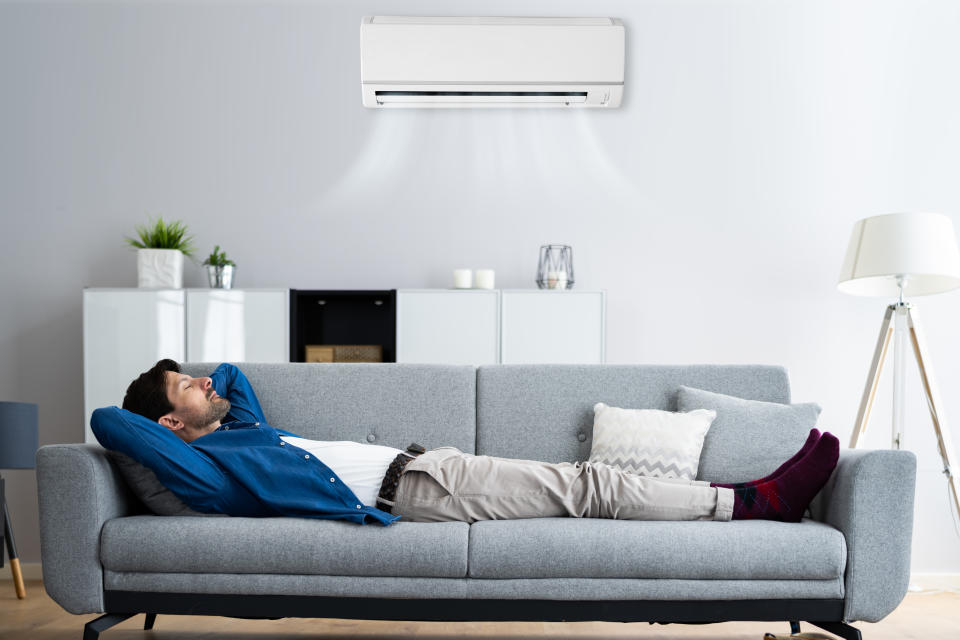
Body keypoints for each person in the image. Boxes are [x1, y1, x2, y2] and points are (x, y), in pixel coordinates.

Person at [92, 360, 839, 526]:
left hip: (430, 466)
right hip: (418, 493)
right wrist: (177, 415)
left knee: (584, 479)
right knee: (589, 484)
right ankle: (755, 501)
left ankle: (746, 499)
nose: (203, 382)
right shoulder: (206, 468)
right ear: (169, 429)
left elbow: (235, 379)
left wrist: (203, 391)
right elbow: (109, 421)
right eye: (184, 386)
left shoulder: (240, 430)